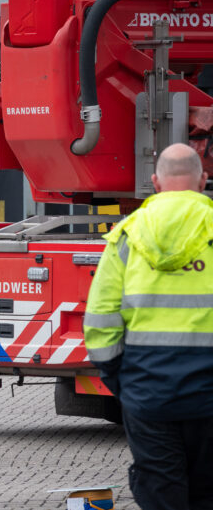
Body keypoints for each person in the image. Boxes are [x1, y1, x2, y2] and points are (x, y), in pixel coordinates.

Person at [84, 143, 213, 510]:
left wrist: (122, 383)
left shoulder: (126, 235)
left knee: (160, 490)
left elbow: (100, 321)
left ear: (155, 182)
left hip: (148, 393)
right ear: (203, 181)